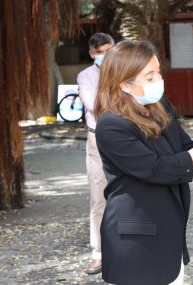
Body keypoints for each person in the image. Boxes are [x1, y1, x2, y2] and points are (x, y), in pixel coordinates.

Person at [94, 40, 193, 285]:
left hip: (167, 231)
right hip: (135, 240)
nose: (158, 81)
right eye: (149, 77)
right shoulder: (112, 125)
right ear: (124, 83)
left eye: (158, 74)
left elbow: (185, 149)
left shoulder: (158, 106)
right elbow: (156, 169)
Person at [76, 32, 114, 275]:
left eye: (109, 51)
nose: (104, 56)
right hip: (98, 137)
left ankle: (130, 248)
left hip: (129, 136)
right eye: (100, 53)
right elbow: (95, 106)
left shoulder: (126, 70)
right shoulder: (86, 76)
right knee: (99, 194)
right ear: (92, 54)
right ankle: (98, 253)